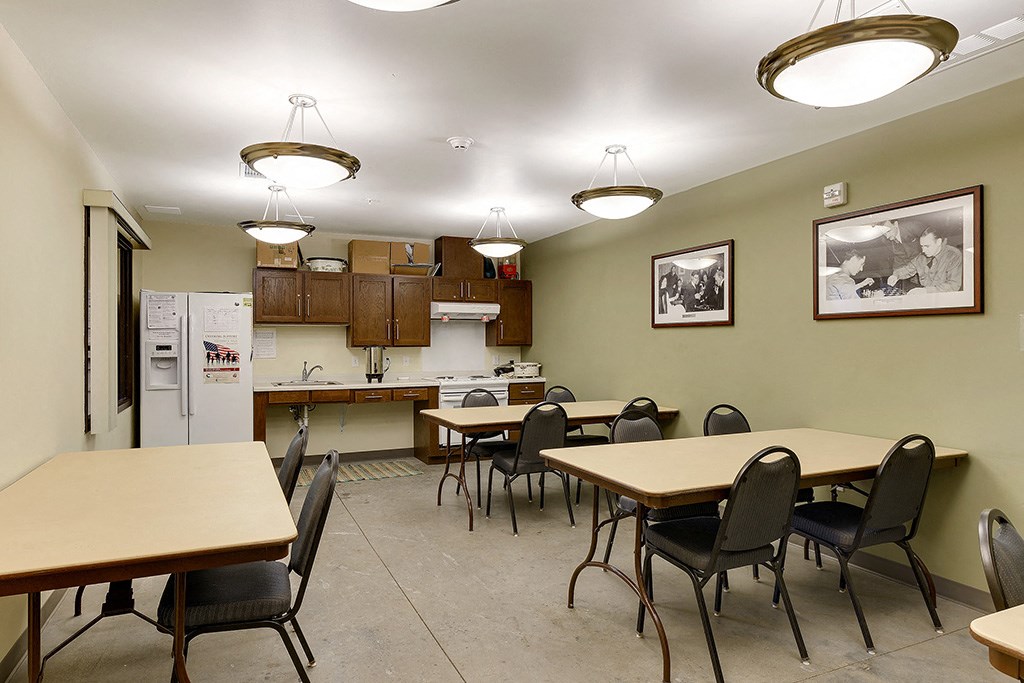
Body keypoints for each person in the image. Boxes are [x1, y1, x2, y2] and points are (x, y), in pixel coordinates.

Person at [887, 227, 963, 294]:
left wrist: (925, 291)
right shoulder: (921, 257)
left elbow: (953, 285)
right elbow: (908, 269)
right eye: (922, 246)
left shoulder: (953, 256)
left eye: (927, 246)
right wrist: (895, 276)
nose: (923, 250)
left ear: (939, 242)